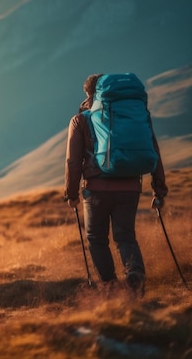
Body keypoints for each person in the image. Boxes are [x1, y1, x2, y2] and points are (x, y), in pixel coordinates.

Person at [64, 73, 168, 295]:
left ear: (88, 94)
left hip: (96, 191)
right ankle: (135, 278)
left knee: (97, 239)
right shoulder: (135, 115)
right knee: (125, 236)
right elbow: (153, 151)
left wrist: (71, 194)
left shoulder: (80, 120)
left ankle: (111, 287)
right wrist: (159, 189)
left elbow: (73, 162)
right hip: (130, 187)